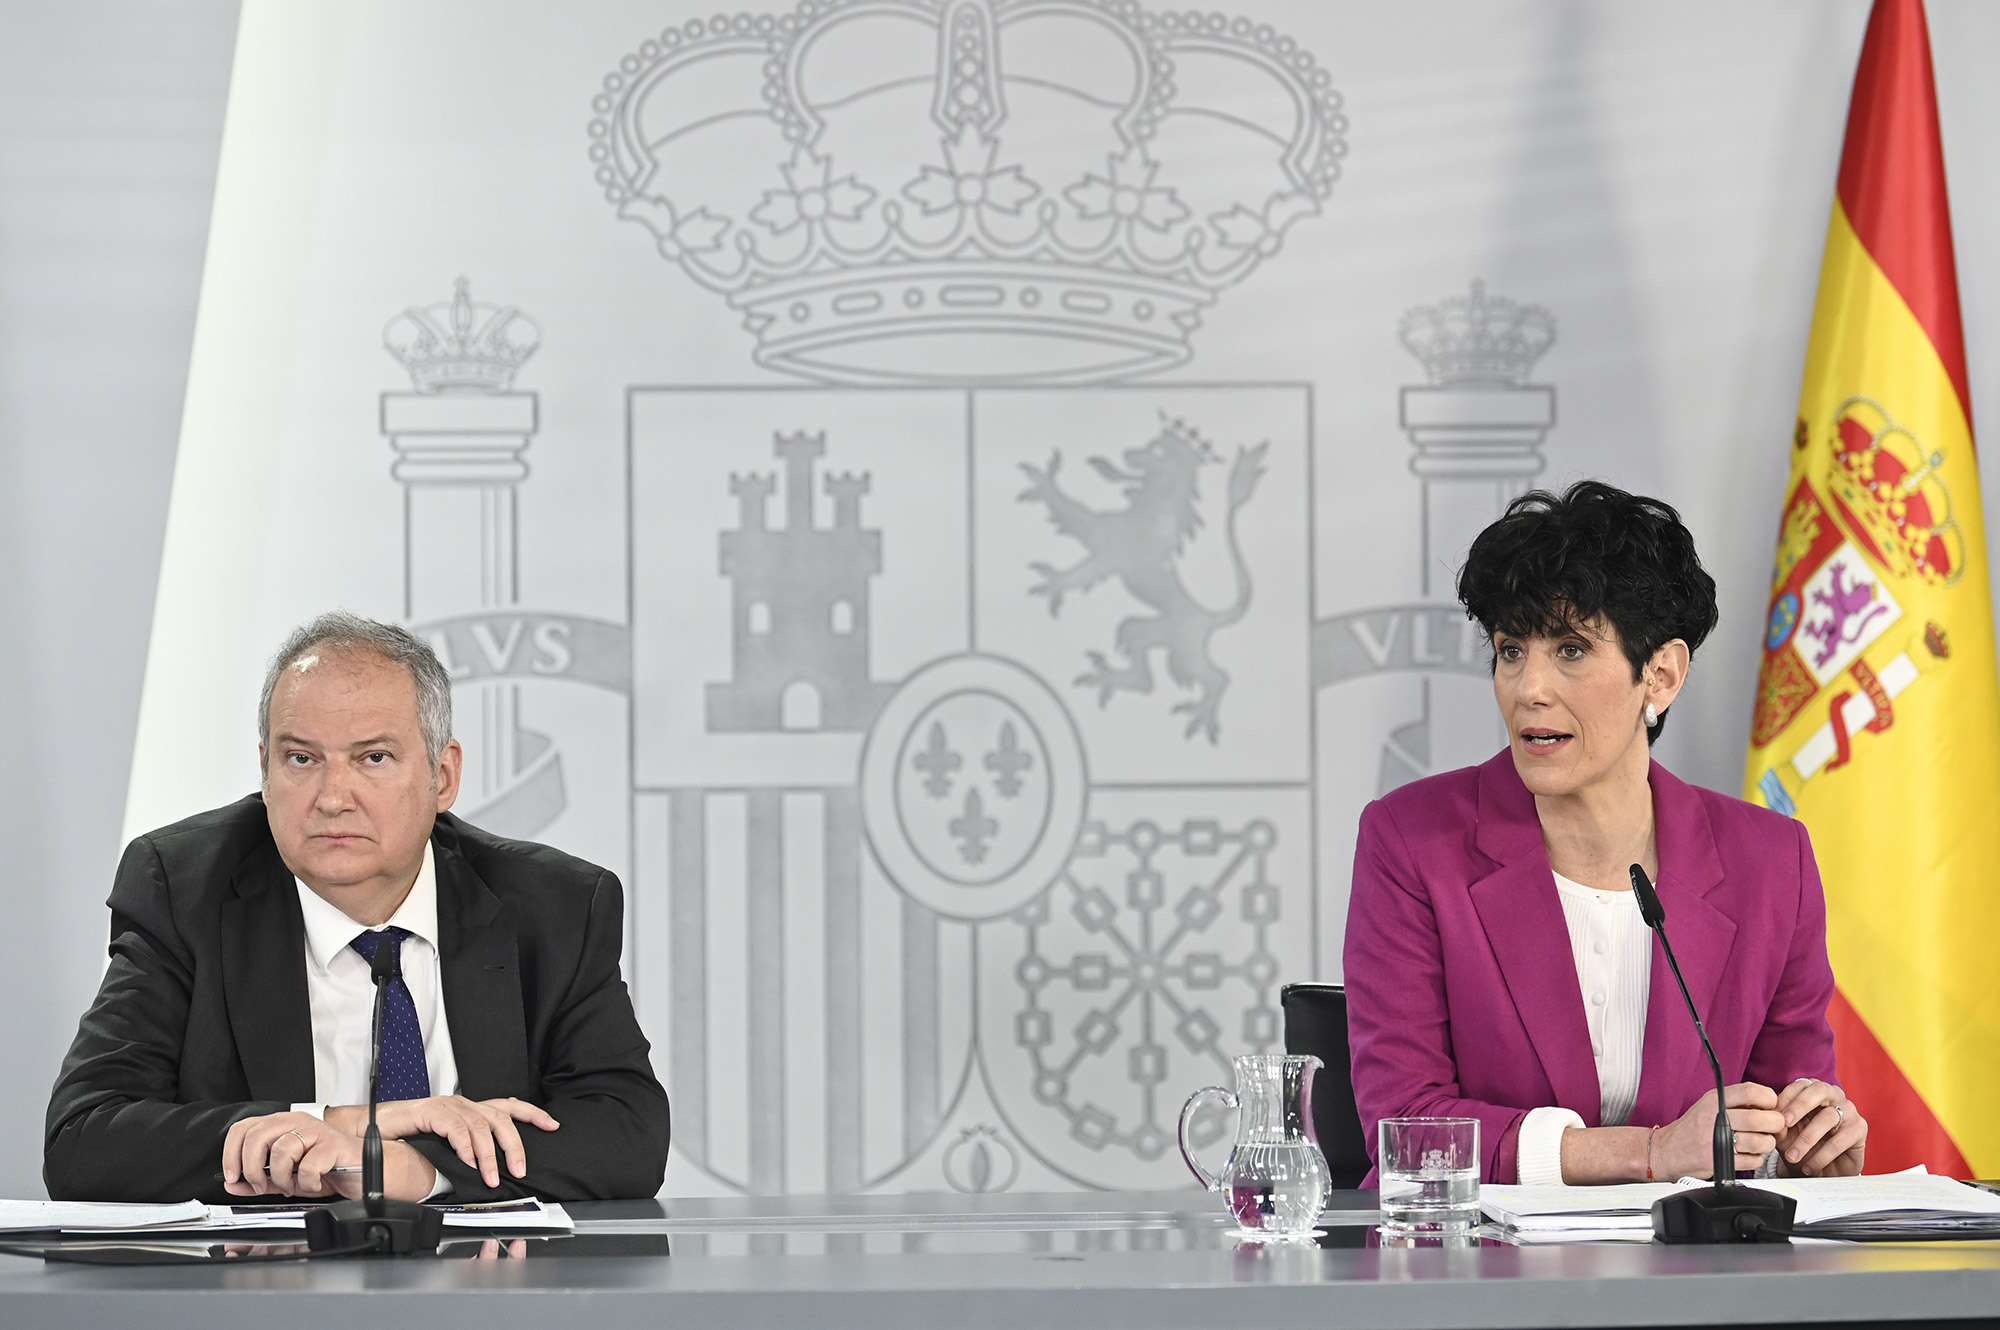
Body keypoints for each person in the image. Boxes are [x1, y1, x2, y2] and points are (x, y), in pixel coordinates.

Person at [46, 612, 671, 1204]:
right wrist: (342, 1126)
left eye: (374, 758)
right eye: (301, 759)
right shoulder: (184, 890)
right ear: (265, 770)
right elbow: (83, 1141)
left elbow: (627, 1133)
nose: (332, 797)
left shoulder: (554, 906)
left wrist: (412, 1167)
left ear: (443, 777)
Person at [1344, 482, 1867, 1186]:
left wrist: (1812, 1150)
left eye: (1569, 649)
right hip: (1477, 1252)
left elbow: (1779, 1116)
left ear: (1661, 675)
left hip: (1695, 1256)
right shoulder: (1413, 842)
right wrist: (1647, 1153)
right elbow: (1405, 1128)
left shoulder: (1772, 862)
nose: (1528, 688)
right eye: (1510, 650)